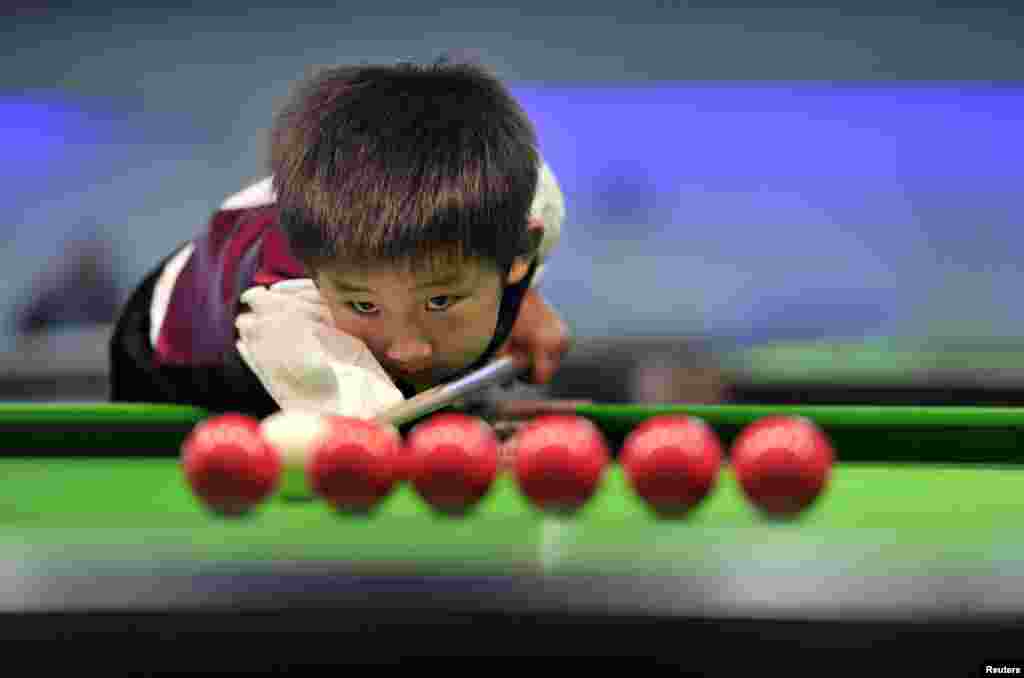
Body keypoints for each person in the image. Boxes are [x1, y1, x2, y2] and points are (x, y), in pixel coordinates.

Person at [108, 57, 570, 420]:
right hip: (176, 354)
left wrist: (522, 300)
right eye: (364, 305)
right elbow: (371, 438)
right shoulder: (287, 322)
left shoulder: (530, 201)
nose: (407, 349)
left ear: (518, 254)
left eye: (441, 300)